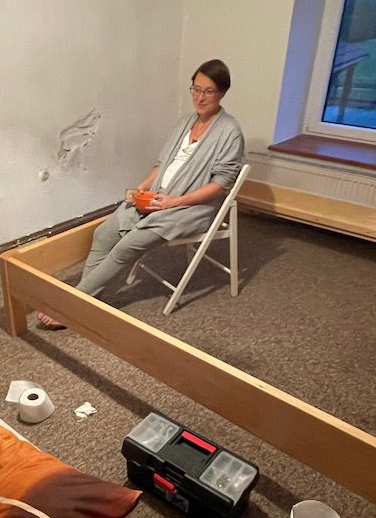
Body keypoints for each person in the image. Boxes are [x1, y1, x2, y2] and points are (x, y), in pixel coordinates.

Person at [38, 59, 245, 328]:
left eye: (208, 91)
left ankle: (72, 306)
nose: (200, 97)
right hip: (158, 197)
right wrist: (144, 186)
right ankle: (86, 299)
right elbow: (161, 164)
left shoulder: (230, 132)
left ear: (222, 93)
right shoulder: (186, 122)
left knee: (127, 246)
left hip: (190, 208)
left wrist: (175, 201)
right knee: (103, 233)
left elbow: (221, 184)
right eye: (196, 89)